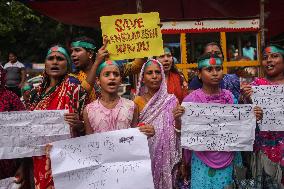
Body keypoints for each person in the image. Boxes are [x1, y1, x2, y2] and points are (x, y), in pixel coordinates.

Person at [180, 53, 262, 189]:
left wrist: (253, 116)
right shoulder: (191, 100)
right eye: (209, 69)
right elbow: (183, 134)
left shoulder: (230, 97)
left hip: (230, 158)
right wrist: (178, 119)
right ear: (199, 74)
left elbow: (238, 128)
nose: (215, 73)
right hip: (201, 161)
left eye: (218, 69)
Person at [27, 45, 88, 189]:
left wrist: (80, 124)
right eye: (51, 58)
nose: (55, 62)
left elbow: (89, 120)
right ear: (45, 64)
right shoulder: (36, 94)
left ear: (67, 64)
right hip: (40, 156)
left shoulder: (75, 87)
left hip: (67, 156)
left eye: (60, 59)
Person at [240, 44, 284, 188]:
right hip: (263, 151)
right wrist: (247, 101)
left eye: (274, 56)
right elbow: (242, 122)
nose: (269, 60)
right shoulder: (255, 86)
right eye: (265, 58)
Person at [134, 59, 181, 189]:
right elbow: (132, 131)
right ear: (142, 78)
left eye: (157, 72)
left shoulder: (171, 100)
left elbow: (178, 132)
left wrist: (178, 119)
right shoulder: (137, 102)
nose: (154, 76)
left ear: (162, 76)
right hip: (146, 154)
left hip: (168, 157)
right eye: (150, 73)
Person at [83, 60, 154, 138]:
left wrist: (146, 132)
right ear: (98, 81)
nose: (112, 78)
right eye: (107, 74)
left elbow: (135, 138)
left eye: (116, 74)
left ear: (120, 80)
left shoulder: (131, 106)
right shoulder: (89, 110)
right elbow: (89, 142)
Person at [70, 37, 146, 101]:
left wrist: (140, 43)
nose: (73, 54)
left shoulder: (110, 69)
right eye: (72, 51)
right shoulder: (71, 78)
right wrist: (96, 62)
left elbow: (137, 66)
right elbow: (83, 91)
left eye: (77, 50)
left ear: (90, 54)